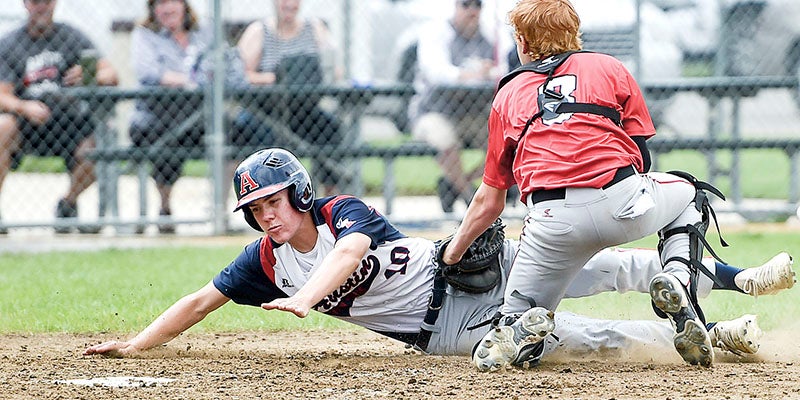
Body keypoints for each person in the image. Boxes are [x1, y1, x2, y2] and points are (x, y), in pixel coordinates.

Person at [83, 148, 796, 365]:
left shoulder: (340, 215)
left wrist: (305, 301)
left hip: (469, 274)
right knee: (588, 341)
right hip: (445, 333)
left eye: (271, 201)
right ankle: (714, 342)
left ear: (297, 193)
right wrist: (136, 343)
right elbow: (199, 301)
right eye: (254, 209)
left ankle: (738, 283)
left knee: (616, 268)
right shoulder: (263, 262)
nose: (265, 215)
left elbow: (353, 252)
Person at [440, 0, 739, 370]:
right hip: (621, 201)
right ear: (573, 33)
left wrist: (452, 254)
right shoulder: (608, 66)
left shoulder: (508, 93)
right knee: (690, 191)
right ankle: (677, 279)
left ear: (523, 41)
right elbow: (642, 157)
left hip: (550, 223)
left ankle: (518, 327)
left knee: (513, 321)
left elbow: (489, 201)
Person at [130, 0, 271, 234]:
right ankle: (165, 209)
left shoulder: (204, 31)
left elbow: (227, 65)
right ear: (152, 10)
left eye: (172, 3)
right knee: (166, 147)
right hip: (159, 115)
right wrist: (192, 80)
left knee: (239, 133)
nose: (167, 9)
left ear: (184, 6)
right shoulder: (146, 34)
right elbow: (149, 72)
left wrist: (206, 79)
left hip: (203, 115)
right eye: (160, 4)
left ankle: (220, 212)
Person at [0, 0, 119, 234]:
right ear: (25, 5)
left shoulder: (71, 36)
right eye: (35, 2)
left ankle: (68, 203)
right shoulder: (11, 43)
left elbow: (111, 74)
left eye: (46, 2)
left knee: (101, 137)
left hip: (70, 120)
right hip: (28, 123)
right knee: (3, 125)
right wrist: (24, 107)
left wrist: (91, 74)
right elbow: (2, 94)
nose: (41, 7)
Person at [409, 0, 508, 213]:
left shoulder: (489, 33)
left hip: (473, 113)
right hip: (434, 111)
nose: (472, 11)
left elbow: (503, 70)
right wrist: (473, 74)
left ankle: (454, 186)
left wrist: (485, 72)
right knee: (445, 140)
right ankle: (468, 196)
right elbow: (437, 73)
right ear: (455, 7)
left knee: (506, 144)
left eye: (477, 5)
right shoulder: (437, 31)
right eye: (466, 4)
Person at [237, 0, 343, 195]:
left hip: (303, 108)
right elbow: (240, 75)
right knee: (248, 132)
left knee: (330, 128)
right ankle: (266, 197)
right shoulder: (259, 30)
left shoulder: (314, 27)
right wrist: (277, 78)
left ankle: (330, 202)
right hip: (263, 111)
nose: (289, 4)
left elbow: (333, 70)